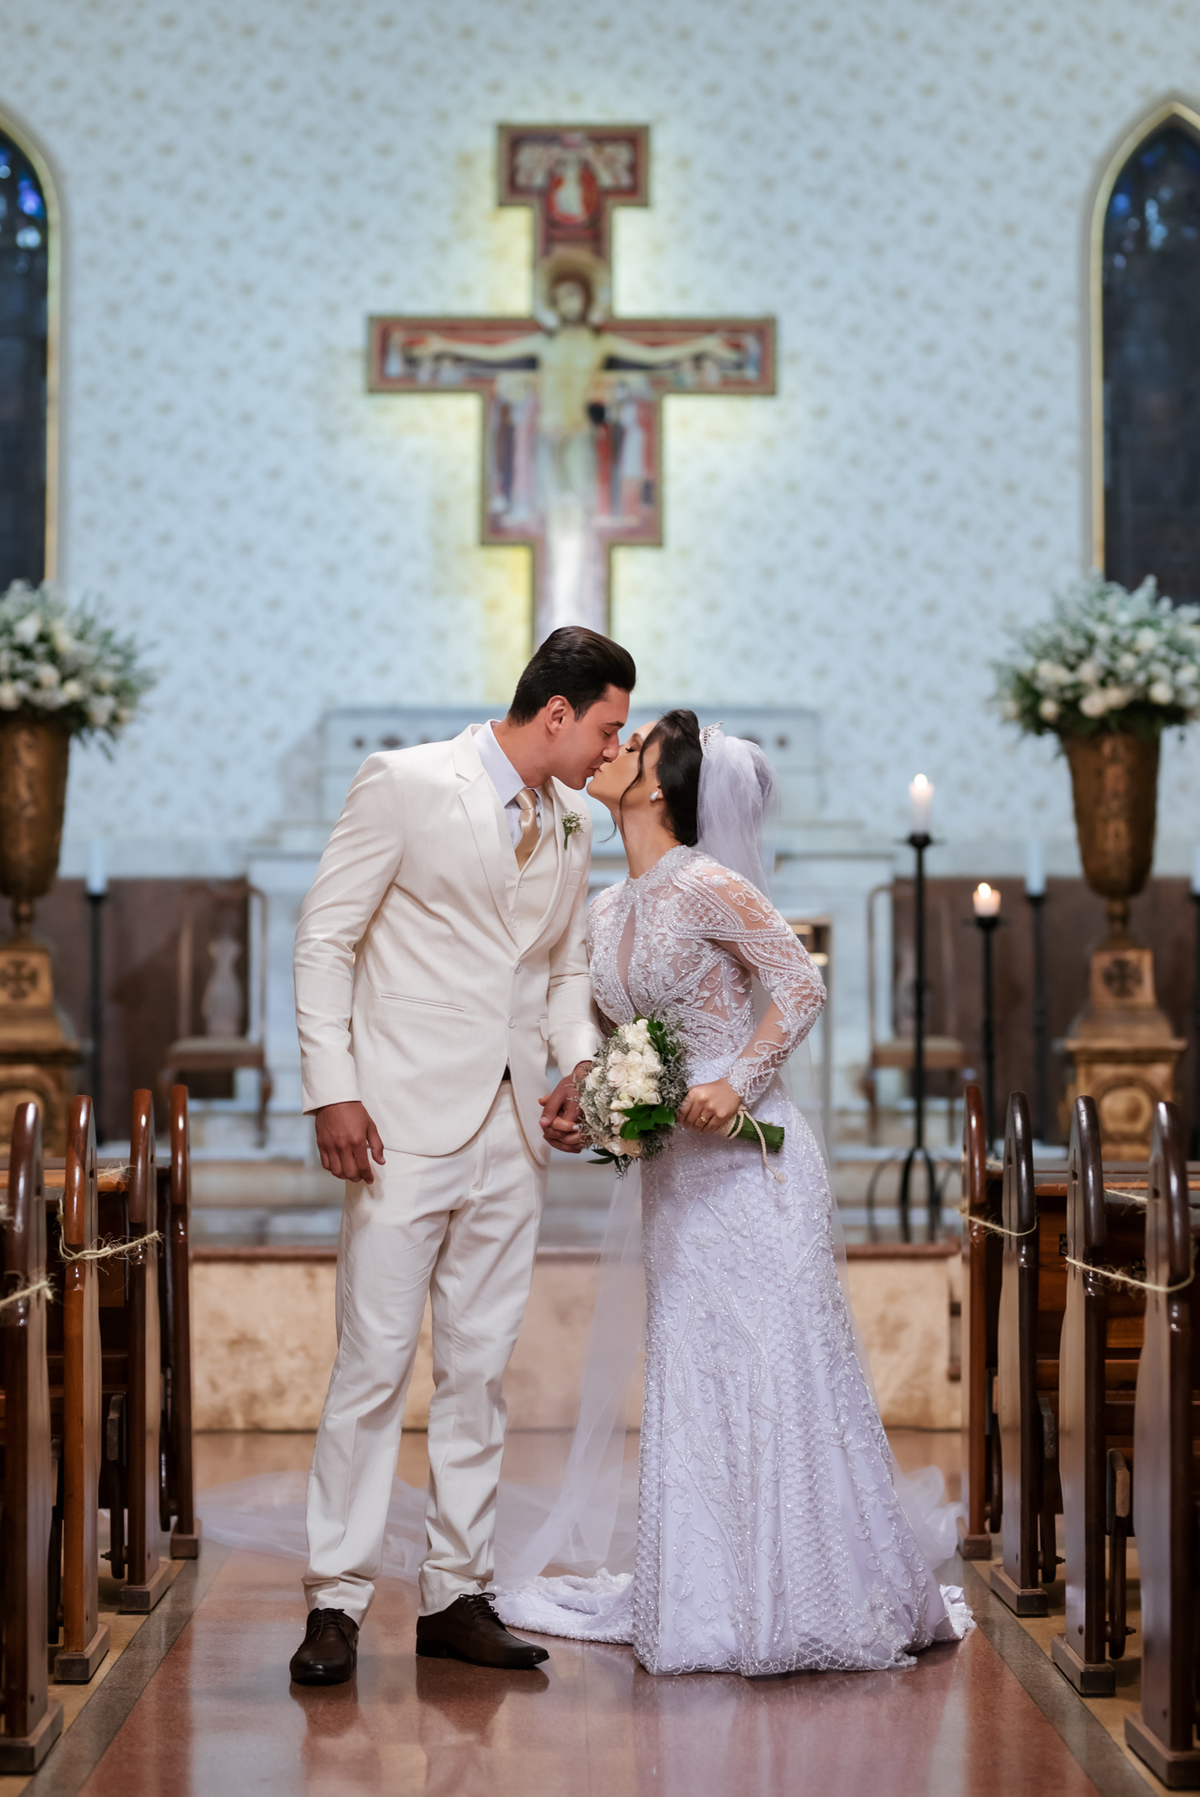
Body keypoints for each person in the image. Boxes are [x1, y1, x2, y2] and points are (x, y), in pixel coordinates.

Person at [494, 711, 973, 1675]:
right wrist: (587, 1103)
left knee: (776, 1365)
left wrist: (736, 1081)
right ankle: (708, 1595)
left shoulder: (707, 883)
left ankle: (806, 1586)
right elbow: (612, 1041)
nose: (613, 749)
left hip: (755, 1165)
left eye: (634, 746)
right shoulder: (608, 906)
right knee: (694, 1370)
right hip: (677, 1172)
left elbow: (799, 984)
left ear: (661, 789)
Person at [287, 625, 634, 1685]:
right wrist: (332, 1088)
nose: (613, 756)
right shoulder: (404, 782)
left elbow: (569, 971)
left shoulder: (576, 822)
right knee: (373, 1365)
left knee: (480, 1371)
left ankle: (455, 1592)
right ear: (558, 711)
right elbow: (325, 937)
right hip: (395, 1119)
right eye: (607, 730)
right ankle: (336, 1603)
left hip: (511, 1130)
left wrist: (577, 1071)